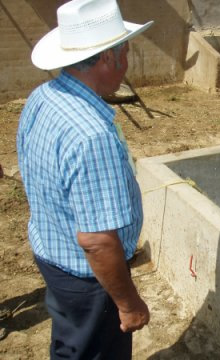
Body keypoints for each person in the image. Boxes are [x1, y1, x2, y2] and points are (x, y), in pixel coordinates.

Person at [16, 0, 153, 358]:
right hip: (88, 279)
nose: (127, 61)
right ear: (108, 59)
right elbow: (96, 242)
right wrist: (127, 303)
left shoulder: (42, 97)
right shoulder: (92, 135)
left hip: (53, 253)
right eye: (125, 52)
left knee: (72, 345)